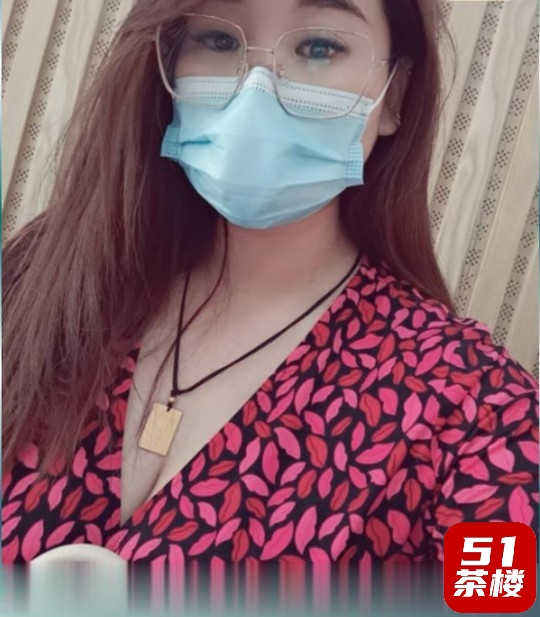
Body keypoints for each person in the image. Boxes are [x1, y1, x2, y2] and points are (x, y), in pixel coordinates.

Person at [2, 0, 538, 565]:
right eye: (218, 41)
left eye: (319, 47)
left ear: (395, 94)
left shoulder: (477, 411)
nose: (256, 90)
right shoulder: (37, 281)